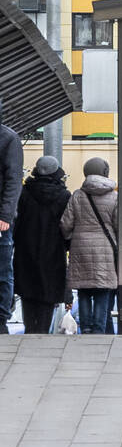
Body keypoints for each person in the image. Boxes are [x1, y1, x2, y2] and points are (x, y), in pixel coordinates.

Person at [60, 157, 120, 335]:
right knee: (102, 290)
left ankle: (85, 327)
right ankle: (99, 329)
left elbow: (65, 223)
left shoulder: (78, 195)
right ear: (105, 172)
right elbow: (118, 225)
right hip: (105, 249)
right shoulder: (114, 197)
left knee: (84, 289)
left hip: (80, 248)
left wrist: (74, 237)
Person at [13, 155, 70, 334]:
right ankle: (43, 331)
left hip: (25, 250)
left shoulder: (24, 193)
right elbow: (66, 226)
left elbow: (16, 222)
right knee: (48, 295)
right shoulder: (63, 195)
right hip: (53, 252)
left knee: (28, 293)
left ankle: (30, 330)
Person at [0, 98, 22, 332]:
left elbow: (13, 180)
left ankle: (1, 317)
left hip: (0, 222)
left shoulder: (8, 139)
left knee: (2, 270)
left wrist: (5, 215)